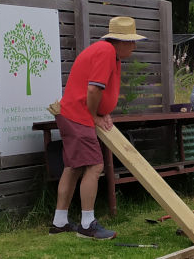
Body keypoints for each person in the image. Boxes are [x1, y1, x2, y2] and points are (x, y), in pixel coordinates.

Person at [49, 17, 146, 239]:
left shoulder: (109, 53)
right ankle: (87, 225)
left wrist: (103, 112)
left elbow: (98, 91)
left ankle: (60, 221)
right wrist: (94, 116)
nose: (134, 46)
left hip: (74, 113)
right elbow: (93, 90)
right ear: (120, 41)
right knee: (94, 165)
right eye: (131, 41)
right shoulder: (105, 52)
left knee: (73, 167)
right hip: (78, 116)